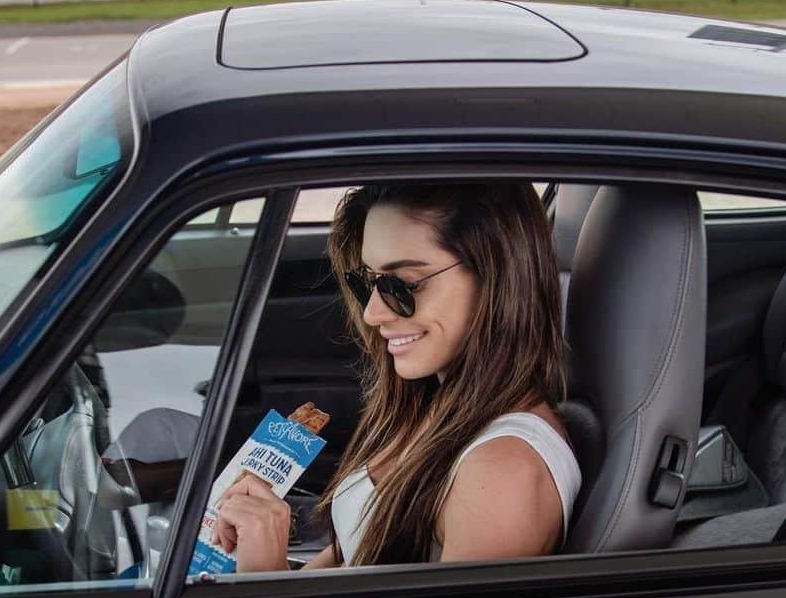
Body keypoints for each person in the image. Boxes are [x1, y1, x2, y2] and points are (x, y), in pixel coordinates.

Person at [214, 181, 582, 573]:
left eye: (402, 284)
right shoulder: (436, 408)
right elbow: (354, 560)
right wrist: (263, 545)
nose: (373, 313)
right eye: (368, 283)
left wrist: (264, 574)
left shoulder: (503, 472)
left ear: (497, 277)